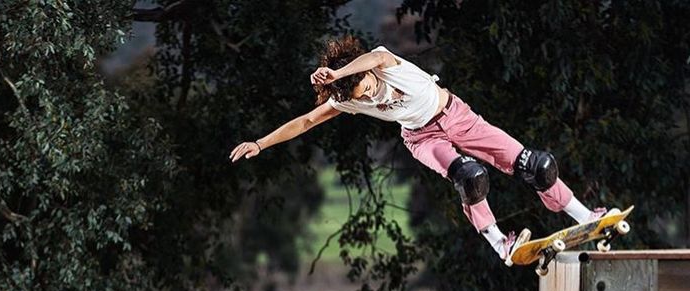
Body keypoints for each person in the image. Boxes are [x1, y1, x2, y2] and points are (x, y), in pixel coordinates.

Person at [230, 37, 608, 263]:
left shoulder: (381, 61)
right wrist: (260, 143)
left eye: (369, 88)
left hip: (458, 115)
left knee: (537, 166)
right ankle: (500, 244)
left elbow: (374, 59)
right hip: (423, 139)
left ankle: (582, 215)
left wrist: (341, 74)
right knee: (469, 177)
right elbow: (307, 121)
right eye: (366, 98)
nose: (373, 96)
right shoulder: (349, 99)